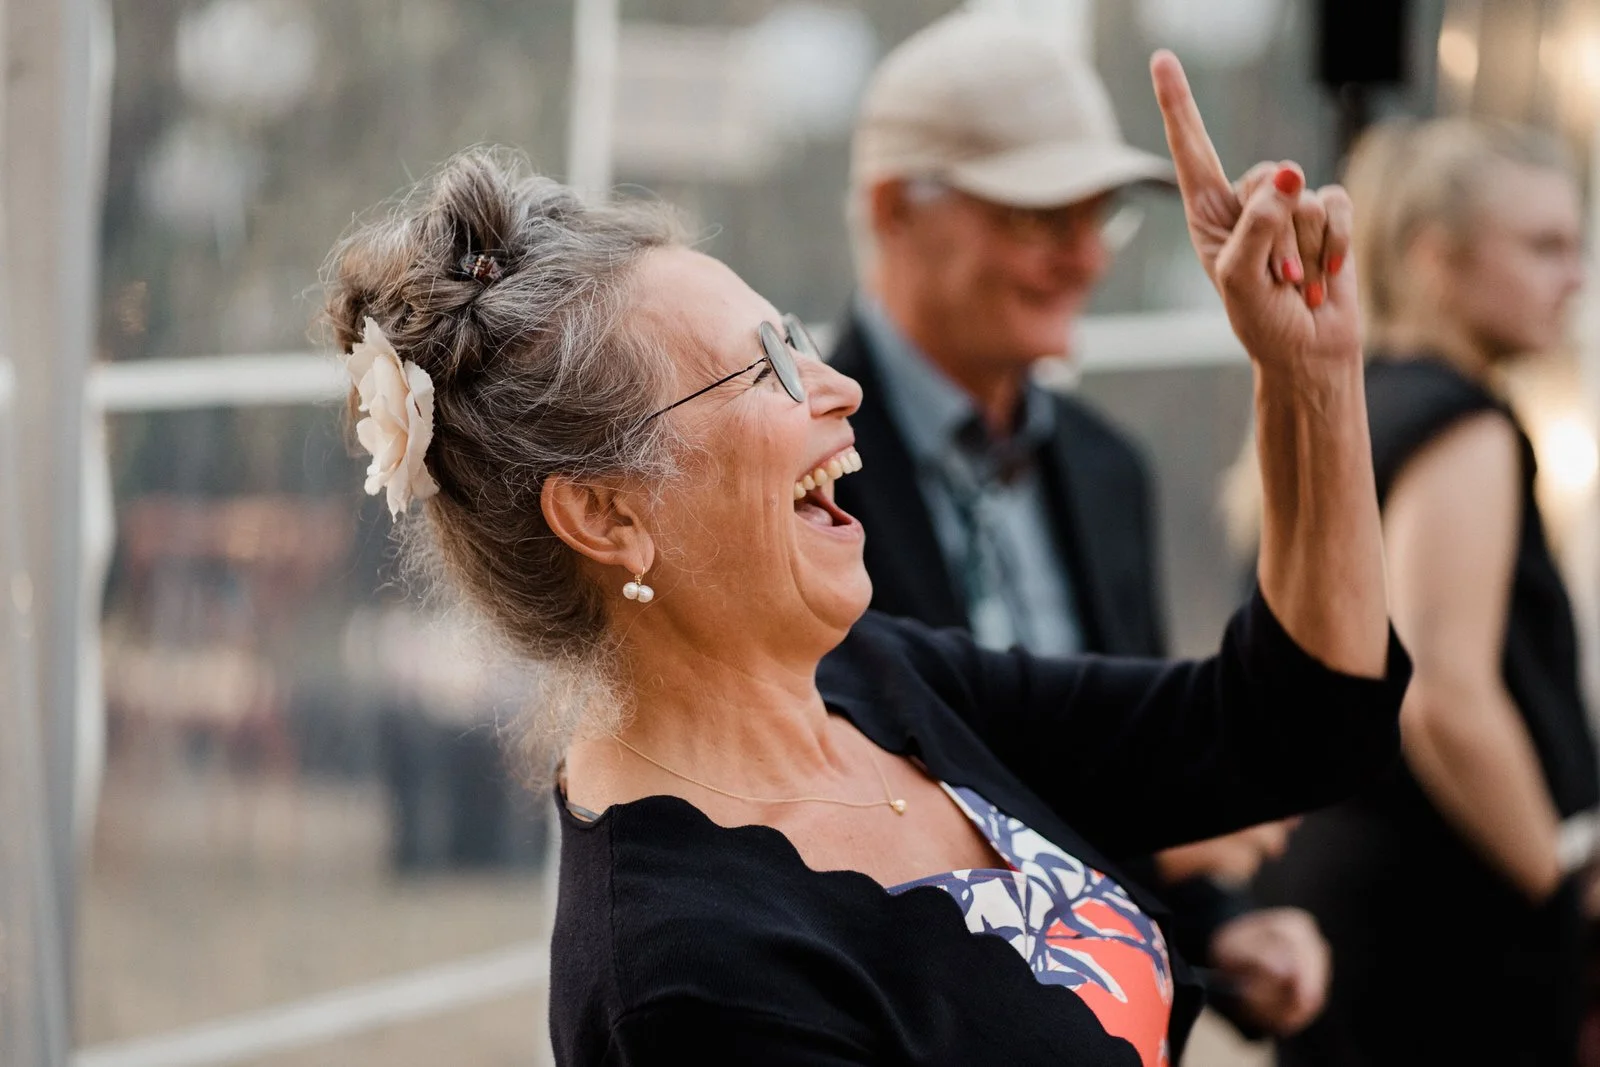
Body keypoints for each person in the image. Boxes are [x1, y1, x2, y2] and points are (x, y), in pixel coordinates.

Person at [322, 53, 1406, 1066]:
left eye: (792, 337)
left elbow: (1288, 728)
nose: (834, 386)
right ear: (607, 515)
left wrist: (1309, 376)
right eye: (763, 372)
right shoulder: (685, 978)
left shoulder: (875, 680)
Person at [832, 12, 1325, 1037]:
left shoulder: (1106, 467)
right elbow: (832, 805)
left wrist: (1219, 930)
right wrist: (1149, 836)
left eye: (1098, 216)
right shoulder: (797, 469)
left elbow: (1111, 725)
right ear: (892, 210)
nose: (1083, 258)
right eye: (1035, 218)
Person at [1243, 118, 1600, 1066]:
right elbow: (1442, 693)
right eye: (1542, 247)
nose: (1574, 277)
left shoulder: (1350, 401)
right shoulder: (1461, 425)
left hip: (1353, 912)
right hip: (1446, 935)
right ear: (1436, 259)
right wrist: (1564, 887)